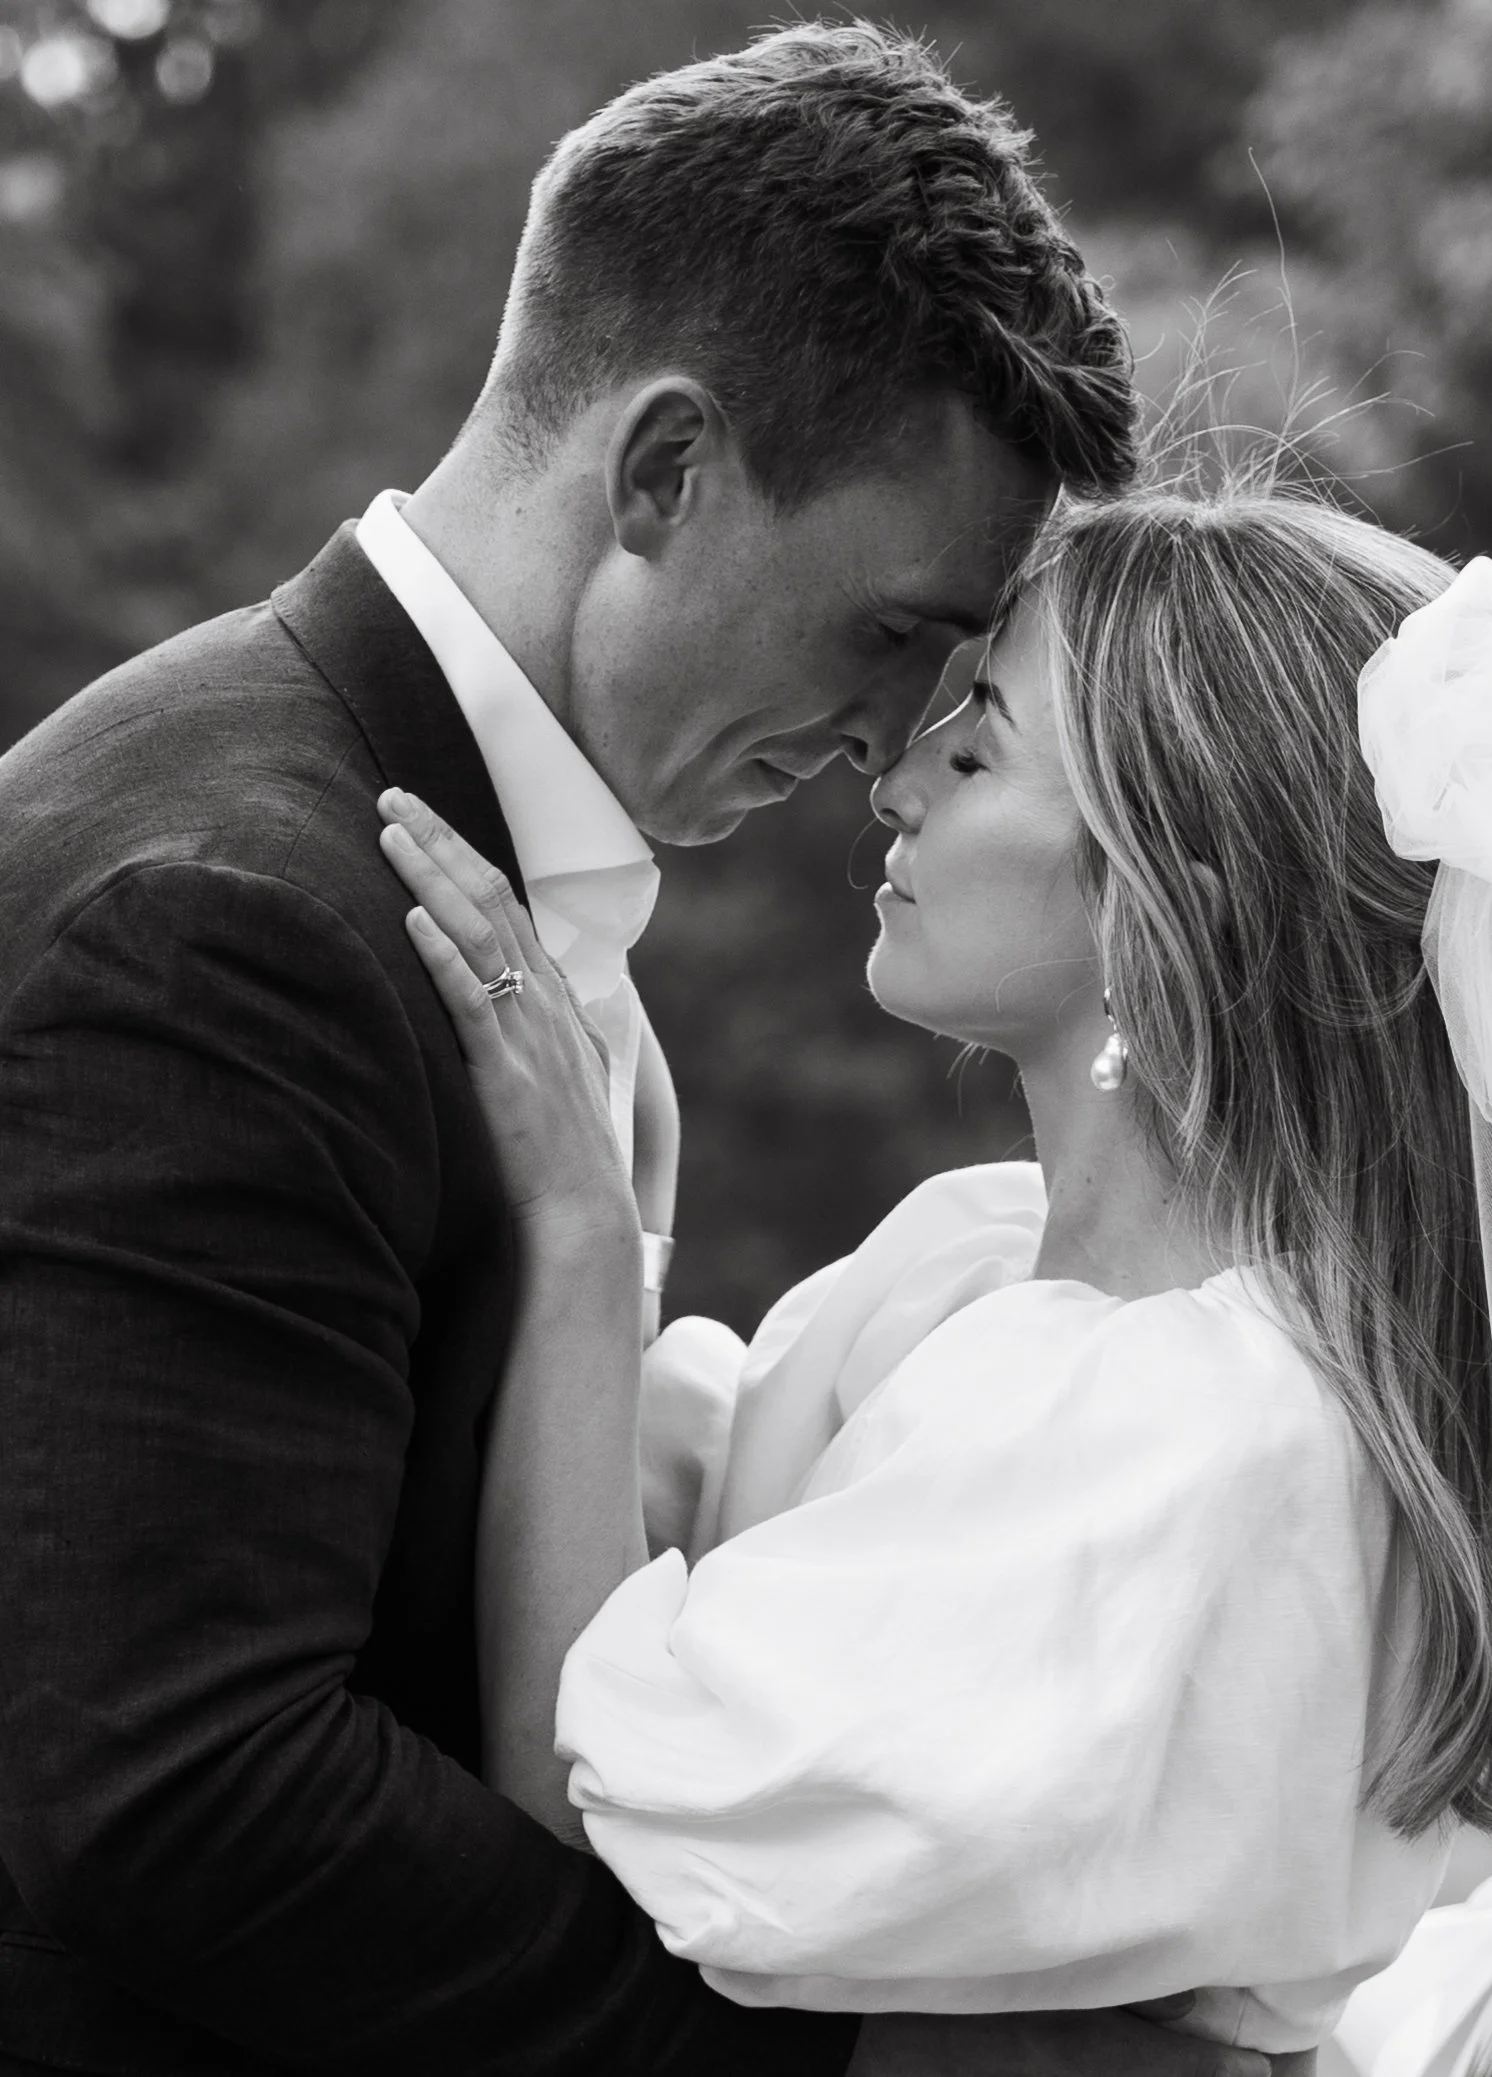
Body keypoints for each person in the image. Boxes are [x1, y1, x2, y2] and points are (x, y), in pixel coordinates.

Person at [0, 23, 1254, 2077]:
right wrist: (875, 2066)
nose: (883, 746)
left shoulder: (432, 868)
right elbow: (177, 1792)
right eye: (881, 632)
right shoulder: (228, 915)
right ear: (664, 468)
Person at [376, 484, 1492, 2065]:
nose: (896, 781)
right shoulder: (975, 1265)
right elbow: (703, 1550)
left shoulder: (1192, 1448)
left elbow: (580, 1792)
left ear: (1161, 900)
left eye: (979, 741)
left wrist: (581, 1241)